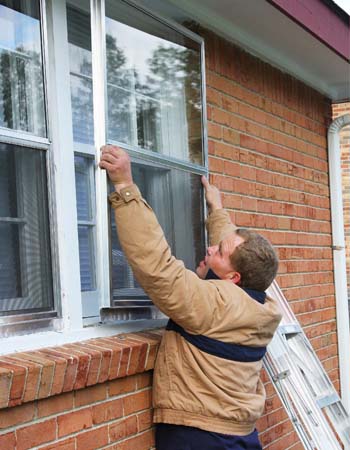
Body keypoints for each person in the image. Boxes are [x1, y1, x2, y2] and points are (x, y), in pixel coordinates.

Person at [99, 144, 282, 450]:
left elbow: (158, 269)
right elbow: (234, 252)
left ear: (232, 279)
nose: (211, 249)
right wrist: (217, 209)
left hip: (201, 437)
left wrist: (125, 187)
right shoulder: (260, 303)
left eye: (219, 253)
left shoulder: (215, 304)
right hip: (240, 434)